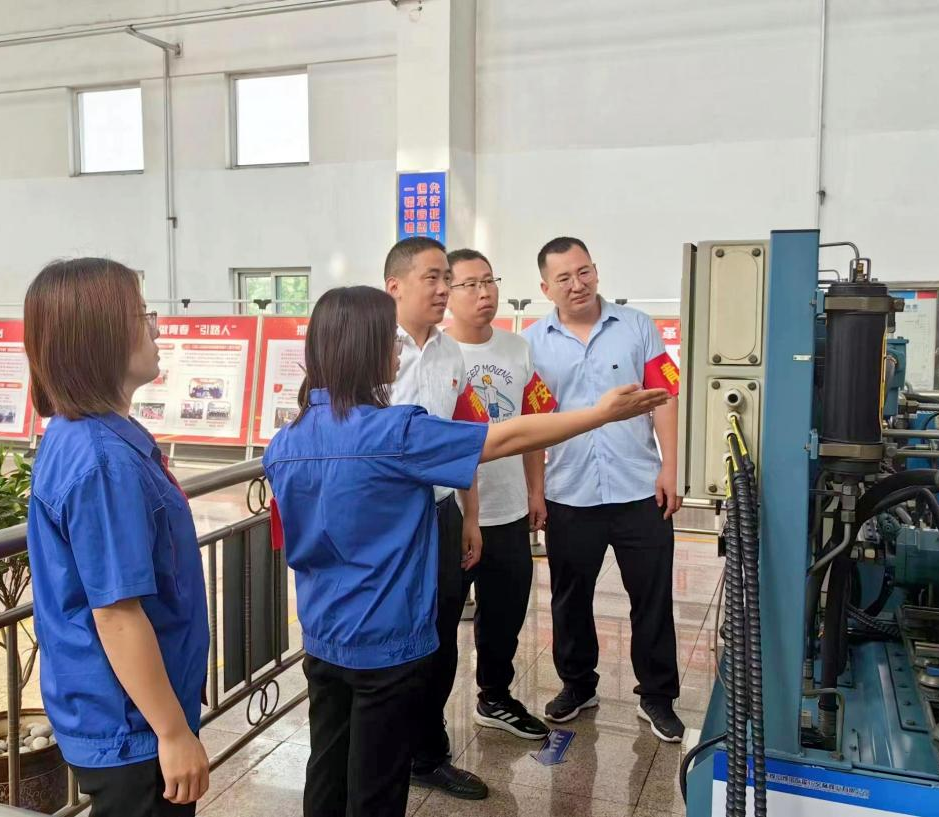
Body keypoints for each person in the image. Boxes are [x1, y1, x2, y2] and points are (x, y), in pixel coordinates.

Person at [263, 285, 669, 817]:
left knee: (327, 765)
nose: (397, 349)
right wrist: (599, 414)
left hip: (323, 636)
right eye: (389, 339)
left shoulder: (286, 441)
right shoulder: (396, 432)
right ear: (365, 348)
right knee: (377, 781)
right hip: (386, 640)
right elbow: (501, 439)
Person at [23, 258, 211, 816]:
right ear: (98, 337)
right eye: (141, 315)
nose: (155, 329)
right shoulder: (103, 460)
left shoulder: (90, 434)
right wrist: (172, 733)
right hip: (132, 726)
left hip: (126, 711)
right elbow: (117, 613)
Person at [523, 236, 686, 743]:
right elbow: (535, 423)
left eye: (584, 271)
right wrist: (535, 491)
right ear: (546, 288)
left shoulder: (637, 327)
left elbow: (664, 396)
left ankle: (657, 696)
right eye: (564, 278)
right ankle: (577, 685)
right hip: (569, 491)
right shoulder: (533, 343)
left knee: (652, 597)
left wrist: (671, 468)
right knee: (570, 598)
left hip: (640, 488)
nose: (578, 284)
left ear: (595, 270)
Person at [382, 236, 486, 798]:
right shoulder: (372, 349)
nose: (445, 288)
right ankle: (382, 752)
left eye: (448, 277)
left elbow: (463, 441)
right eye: (433, 277)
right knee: (391, 635)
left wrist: (471, 516)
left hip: (442, 513)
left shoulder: (450, 354)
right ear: (395, 285)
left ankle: (427, 753)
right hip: (386, 521)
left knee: (442, 635)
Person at [444, 248, 552, 741]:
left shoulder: (517, 348)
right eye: (470, 284)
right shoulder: (436, 355)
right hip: (452, 514)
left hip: (507, 509)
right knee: (441, 620)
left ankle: (495, 696)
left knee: (506, 612)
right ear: (447, 293)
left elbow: (533, 425)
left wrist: (536, 490)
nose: (484, 292)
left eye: (489, 281)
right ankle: (427, 723)